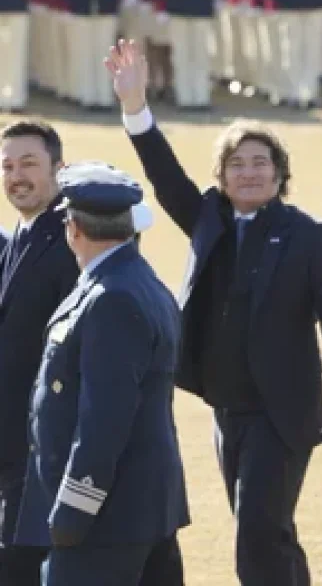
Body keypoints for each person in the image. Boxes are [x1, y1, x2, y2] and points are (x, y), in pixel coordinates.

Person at [106, 38, 322, 586]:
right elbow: (163, 171)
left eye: (260, 163)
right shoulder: (207, 218)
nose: (249, 173)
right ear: (222, 176)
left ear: (279, 173)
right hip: (227, 407)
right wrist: (135, 108)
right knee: (270, 532)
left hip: (285, 411)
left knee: (257, 533)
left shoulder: (309, 236)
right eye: (237, 164)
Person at [15, 161, 190, 586]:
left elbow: (104, 421)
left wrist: (75, 509)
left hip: (107, 519)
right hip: (136, 511)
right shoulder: (134, 280)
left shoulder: (111, 297)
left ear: (72, 228)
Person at [0, 121, 79, 586]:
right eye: (7, 166)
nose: (16, 176)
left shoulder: (71, 239)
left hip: (45, 450)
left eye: (29, 163)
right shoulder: (19, 237)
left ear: (59, 169)